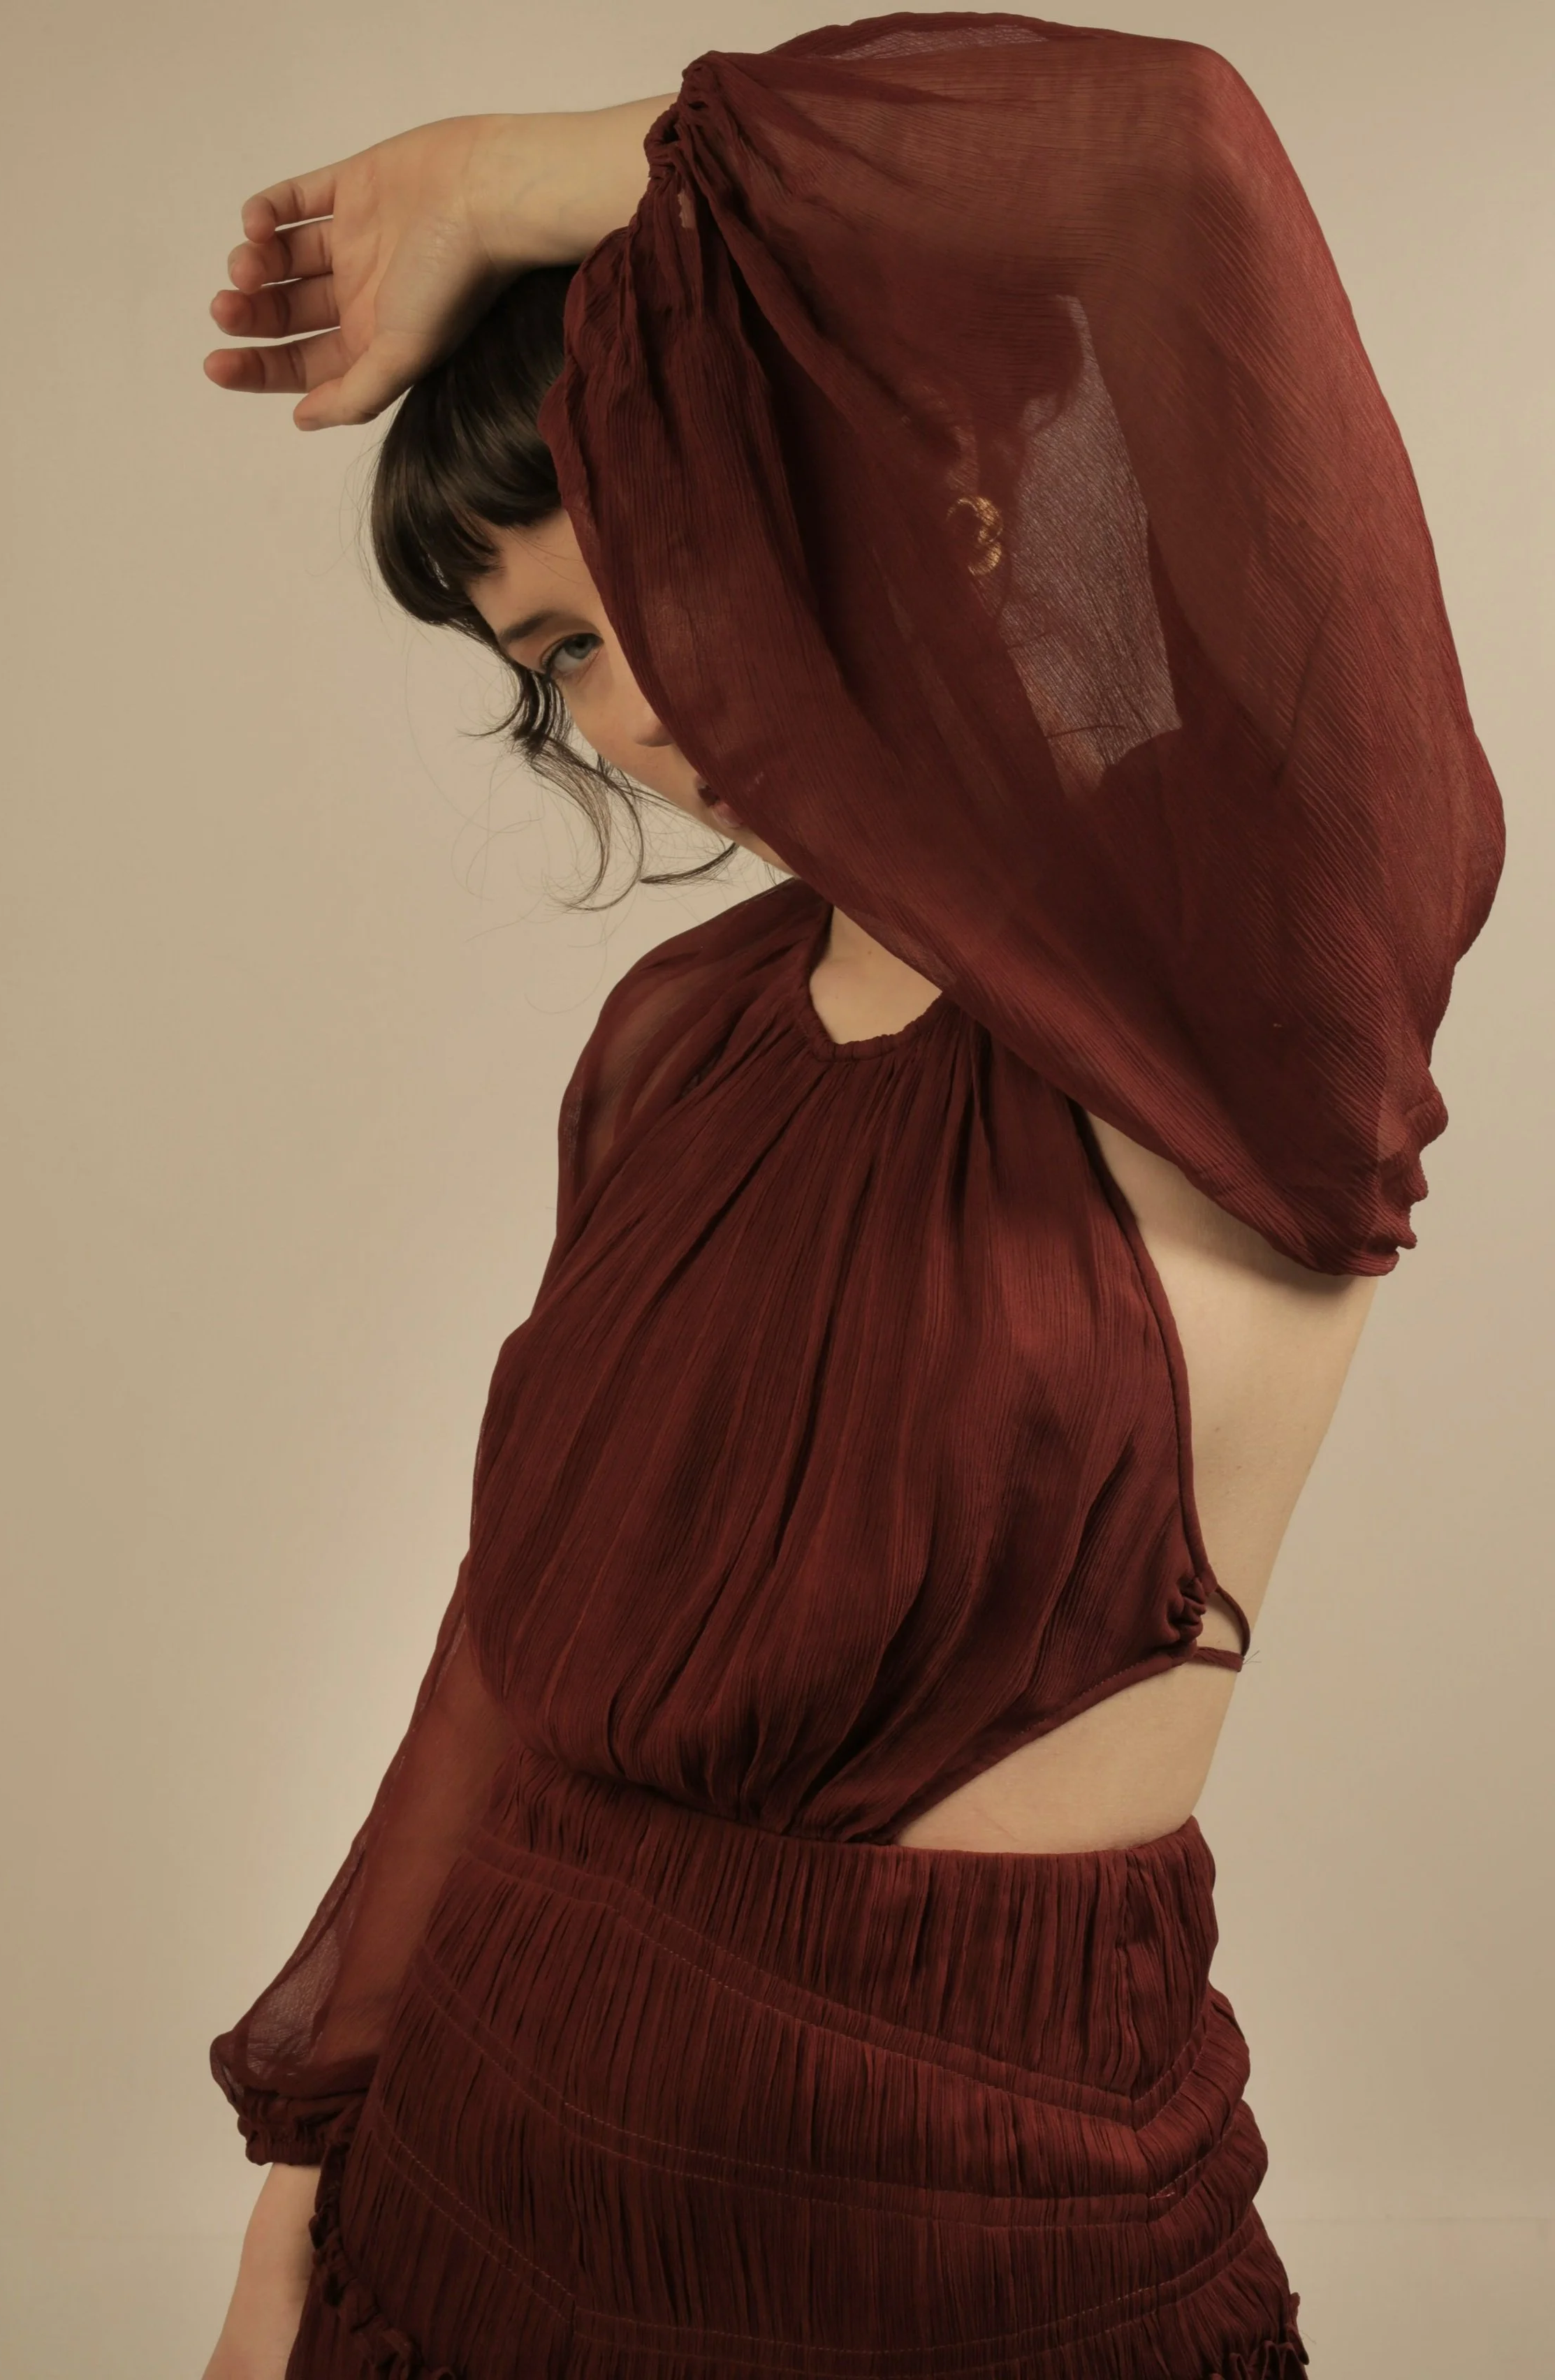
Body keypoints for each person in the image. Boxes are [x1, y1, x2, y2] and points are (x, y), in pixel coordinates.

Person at [198, 16, 1503, 2379]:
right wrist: (303, 2186)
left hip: (982, 2261)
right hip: (468, 2188)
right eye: (551, 661)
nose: (622, 715)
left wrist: (501, 177)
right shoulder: (686, 1033)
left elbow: (1160, 166)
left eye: (637, 581)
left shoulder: (1232, 989)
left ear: (877, 501)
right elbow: (516, 1642)